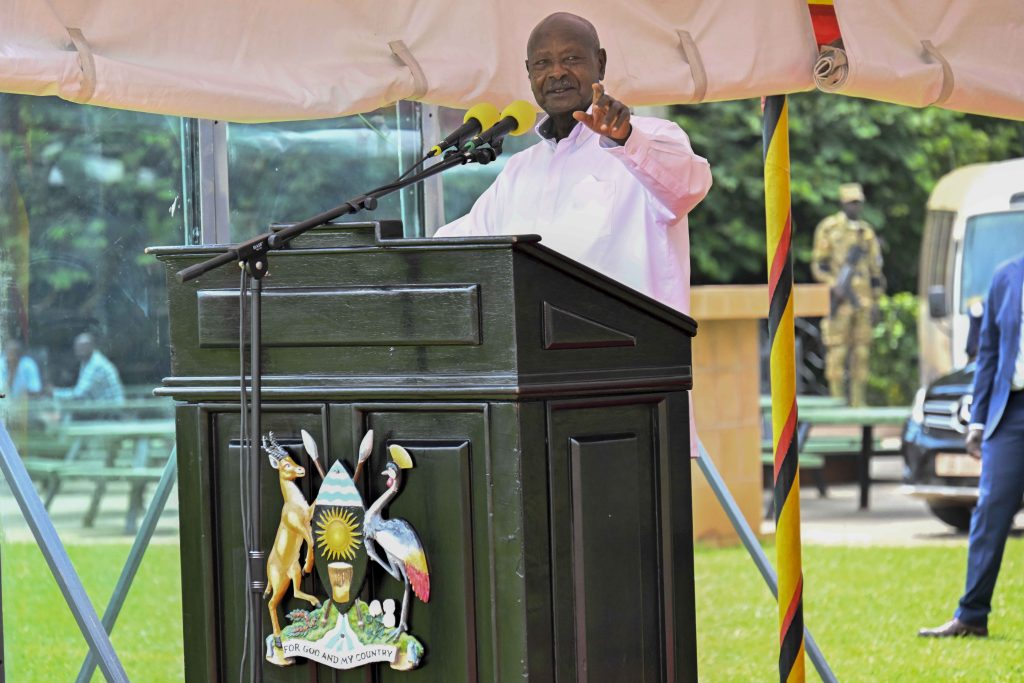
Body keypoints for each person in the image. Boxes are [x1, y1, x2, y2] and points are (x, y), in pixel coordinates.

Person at [434, 12, 713, 314]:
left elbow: (688, 187)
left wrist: (626, 139)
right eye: (542, 63)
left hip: (632, 352)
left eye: (571, 58)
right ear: (529, 74)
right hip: (541, 353)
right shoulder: (519, 169)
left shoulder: (651, 136)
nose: (556, 73)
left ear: (600, 64)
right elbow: (461, 245)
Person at [919, 254, 1024, 638]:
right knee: (992, 506)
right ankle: (971, 616)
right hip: (1009, 410)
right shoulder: (1007, 276)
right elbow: (989, 354)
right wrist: (977, 419)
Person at [811, 182, 884, 406]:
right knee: (838, 353)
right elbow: (819, 265)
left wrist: (875, 301)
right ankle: (837, 402)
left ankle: (858, 404)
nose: (855, 206)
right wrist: (835, 285)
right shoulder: (829, 228)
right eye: (851, 202)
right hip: (840, 300)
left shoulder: (866, 233)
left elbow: (875, 271)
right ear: (842, 203)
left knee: (861, 353)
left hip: (862, 300)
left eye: (858, 202)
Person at [52, 333, 125, 403]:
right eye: (77, 346)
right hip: (101, 408)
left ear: (92, 346)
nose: (78, 350)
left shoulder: (96, 364)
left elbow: (79, 395)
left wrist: (54, 393)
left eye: (82, 346)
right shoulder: (86, 361)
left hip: (112, 411)